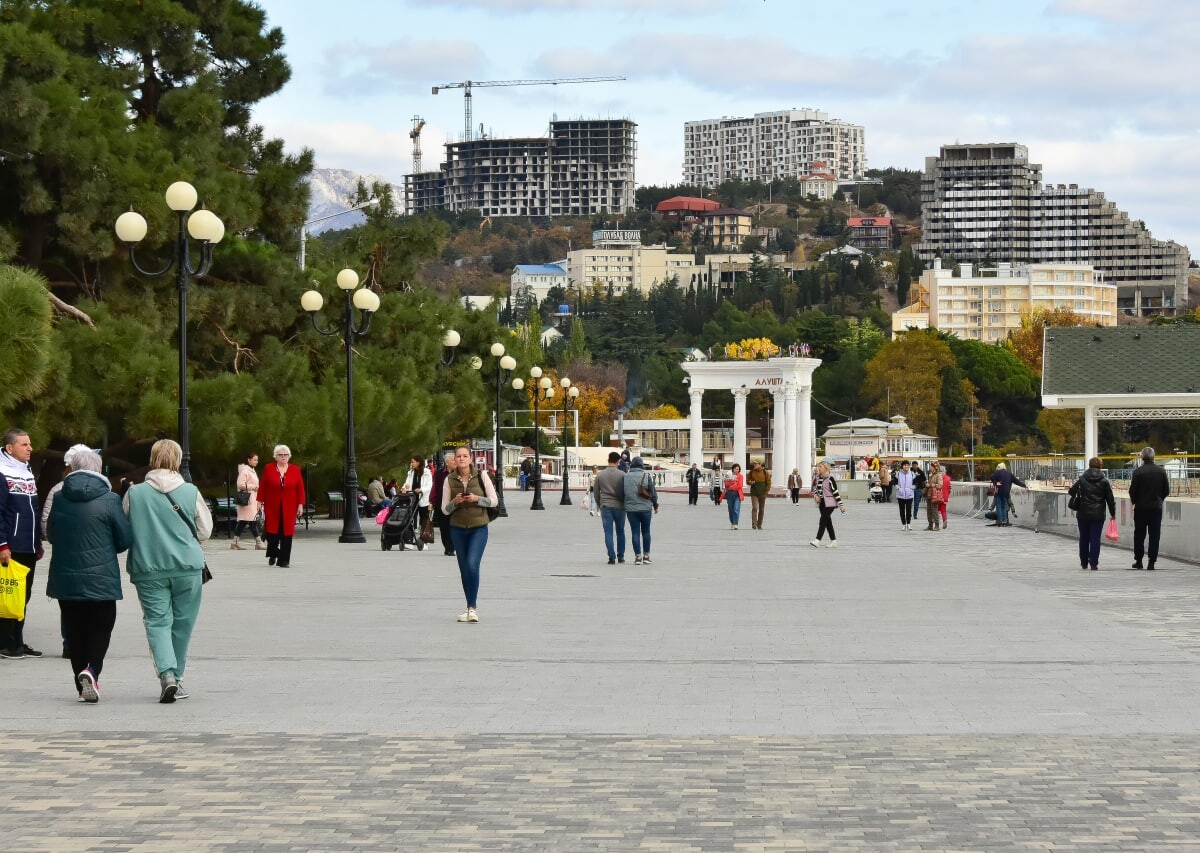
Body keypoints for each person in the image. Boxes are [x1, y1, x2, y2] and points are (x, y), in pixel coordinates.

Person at [123, 439, 212, 703]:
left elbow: (126, 525)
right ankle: (178, 676)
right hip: (187, 567)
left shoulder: (135, 493)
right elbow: (205, 531)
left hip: (148, 567)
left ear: (152, 459)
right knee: (183, 623)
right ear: (177, 460)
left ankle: (167, 674)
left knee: (157, 622)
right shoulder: (190, 491)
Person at [45, 448, 132, 703]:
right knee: (101, 627)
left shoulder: (60, 498)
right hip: (101, 578)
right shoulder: (110, 499)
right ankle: (91, 670)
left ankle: (80, 681)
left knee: (74, 630)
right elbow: (124, 539)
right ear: (98, 469)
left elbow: (51, 534)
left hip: (66, 577)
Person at [0, 427, 44, 659]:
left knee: (22, 595)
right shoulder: (2, 471)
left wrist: (37, 541)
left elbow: (33, 510)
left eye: (30, 444)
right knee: (8, 593)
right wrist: (2, 544)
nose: (30, 448)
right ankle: (7, 643)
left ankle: (17, 640)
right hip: (11, 546)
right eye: (24, 445)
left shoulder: (25, 470)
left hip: (28, 545)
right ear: (10, 448)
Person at [441, 446, 498, 623]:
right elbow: (444, 509)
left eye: (465, 456)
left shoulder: (482, 476)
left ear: (471, 459)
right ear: (455, 460)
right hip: (457, 528)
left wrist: (476, 499)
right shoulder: (449, 479)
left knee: (472, 564)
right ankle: (468, 607)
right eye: (459, 456)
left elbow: (494, 500)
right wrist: (455, 501)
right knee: (464, 568)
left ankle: (472, 608)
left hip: (478, 527)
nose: (462, 459)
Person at [257, 444, 306, 568]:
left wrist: (300, 504)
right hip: (272, 505)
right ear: (276, 456)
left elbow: (300, 488)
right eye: (280, 455)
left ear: (289, 456)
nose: (283, 457)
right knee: (272, 534)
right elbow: (263, 485)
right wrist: (259, 501)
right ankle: (273, 553)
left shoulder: (295, 469)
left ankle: (284, 561)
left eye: (285, 455)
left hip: (290, 505)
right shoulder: (269, 468)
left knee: (287, 533)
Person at [1068, 456, 1116, 571]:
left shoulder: (1082, 479)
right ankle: (1093, 563)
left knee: (1084, 538)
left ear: (1089, 465)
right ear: (1100, 466)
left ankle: (1084, 562)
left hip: (1083, 513)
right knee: (1095, 539)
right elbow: (1110, 499)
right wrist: (1113, 514)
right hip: (1098, 514)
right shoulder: (1104, 481)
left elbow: (1071, 491)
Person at [1128, 446, 1171, 571]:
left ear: (1142, 457)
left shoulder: (1138, 472)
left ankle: (1139, 560)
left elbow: (1132, 491)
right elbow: (1166, 490)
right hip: (1156, 508)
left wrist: (1135, 501)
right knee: (1154, 535)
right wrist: (1159, 500)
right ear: (1154, 457)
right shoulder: (1161, 471)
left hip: (1141, 508)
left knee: (1139, 535)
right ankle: (1152, 562)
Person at [622, 457, 658, 565]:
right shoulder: (646, 476)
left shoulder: (625, 477)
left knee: (635, 532)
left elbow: (622, 492)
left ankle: (638, 557)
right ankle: (646, 556)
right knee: (646, 532)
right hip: (646, 508)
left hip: (631, 510)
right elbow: (653, 492)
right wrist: (656, 505)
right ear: (642, 465)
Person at [594, 451, 627, 565]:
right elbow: (626, 491)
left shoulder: (600, 474)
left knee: (608, 532)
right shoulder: (622, 474)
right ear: (618, 461)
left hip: (606, 506)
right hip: (620, 506)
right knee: (620, 531)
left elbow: (596, 493)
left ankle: (611, 557)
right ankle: (621, 556)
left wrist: (600, 504)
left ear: (608, 460)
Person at [233, 452, 264, 551]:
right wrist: (254, 487)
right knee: (251, 521)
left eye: (257, 460)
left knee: (244, 521)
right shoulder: (245, 471)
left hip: (251, 500)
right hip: (247, 500)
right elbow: (240, 485)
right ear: (249, 460)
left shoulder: (252, 471)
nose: (256, 461)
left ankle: (235, 542)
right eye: (254, 459)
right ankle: (258, 542)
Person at [809, 461, 846, 548]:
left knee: (822, 520)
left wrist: (841, 505)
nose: (818, 468)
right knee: (827, 522)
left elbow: (836, 492)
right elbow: (815, 489)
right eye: (818, 467)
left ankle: (817, 540)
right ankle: (833, 541)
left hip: (830, 503)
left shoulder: (830, 479)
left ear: (826, 468)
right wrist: (816, 496)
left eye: (820, 467)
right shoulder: (818, 478)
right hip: (821, 503)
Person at [429, 451, 456, 556]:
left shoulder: (458, 473)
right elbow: (434, 488)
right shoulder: (439, 473)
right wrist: (431, 501)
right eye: (453, 459)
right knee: (444, 528)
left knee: (454, 527)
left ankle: (452, 547)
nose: (456, 461)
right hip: (441, 504)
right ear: (447, 461)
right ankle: (448, 547)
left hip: (455, 504)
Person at [988, 462, 1027, 527]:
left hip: (998, 492)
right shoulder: (1009, 474)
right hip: (1006, 492)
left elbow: (991, 477)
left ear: (998, 467)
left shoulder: (996, 473)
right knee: (1004, 506)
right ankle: (1004, 521)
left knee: (999, 507)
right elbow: (1017, 481)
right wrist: (1024, 485)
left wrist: (995, 482)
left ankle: (1000, 521)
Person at [402, 455, 433, 533]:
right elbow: (407, 482)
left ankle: (423, 530)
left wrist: (421, 490)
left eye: (413, 462)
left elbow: (429, 485)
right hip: (413, 496)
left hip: (423, 496)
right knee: (412, 513)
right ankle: (413, 528)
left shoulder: (426, 472)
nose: (411, 463)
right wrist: (404, 488)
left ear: (418, 462)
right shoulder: (411, 472)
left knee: (423, 514)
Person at [747, 461, 771, 530]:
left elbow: (769, 482)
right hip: (754, 493)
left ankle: (759, 524)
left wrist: (766, 491)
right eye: (753, 464)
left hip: (763, 493)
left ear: (760, 465)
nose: (754, 465)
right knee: (755, 507)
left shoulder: (765, 472)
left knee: (761, 509)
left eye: (756, 464)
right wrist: (750, 482)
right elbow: (747, 481)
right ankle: (754, 524)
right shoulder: (751, 472)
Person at [723, 463, 745, 530]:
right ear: (733, 469)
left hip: (738, 494)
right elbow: (726, 484)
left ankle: (735, 524)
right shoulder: (729, 475)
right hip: (730, 494)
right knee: (731, 509)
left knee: (736, 509)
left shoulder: (740, 476)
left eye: (738, 469)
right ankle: (732, 523)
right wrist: (731, 484)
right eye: (735, 469)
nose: (737, 470)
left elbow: (739, 485)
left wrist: (731, 487)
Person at [894, 461, 916, 531]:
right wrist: (898, 488)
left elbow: (916, 483)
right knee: (902, 510)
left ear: (909, 466)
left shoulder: (912, 474)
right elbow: (894, 482)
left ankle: (908, 523)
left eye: (907, 465)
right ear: (902, 466)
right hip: (900, 495)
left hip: (909, 494)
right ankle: (903, 524)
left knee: (909, 510)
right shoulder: (898, 474)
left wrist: (912, 487)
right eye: (904, 465)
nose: (906, 466)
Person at [924, 460, 945, 531]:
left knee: (934, 511)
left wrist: (931, 485)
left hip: (934, 496)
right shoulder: (931, 475)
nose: (930, 468)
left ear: (935, 467)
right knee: (929, 511)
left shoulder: (938, 475)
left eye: (931, 467)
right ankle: (930, 525)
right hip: (929, 495)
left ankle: (937, 525)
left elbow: (940, 485)